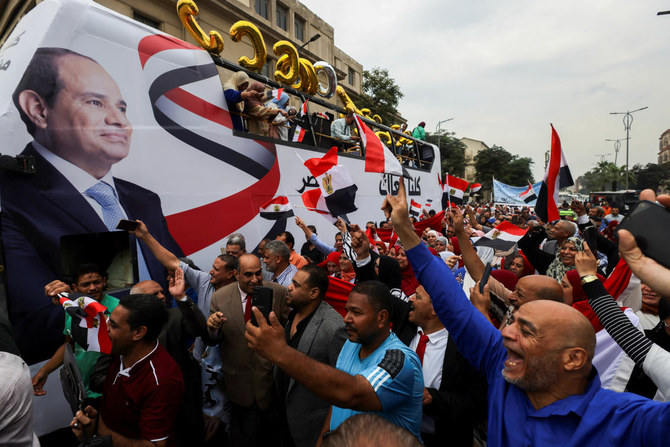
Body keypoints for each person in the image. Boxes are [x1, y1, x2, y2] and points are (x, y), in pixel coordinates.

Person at [383, 177, 670, 446]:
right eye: (514, 321)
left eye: (526, 331)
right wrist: (405, 230)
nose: (506, 332)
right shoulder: (501, 366)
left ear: (573, 359)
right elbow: (452, 305)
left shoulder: (627, 419)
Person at [3, 47, 183, 363]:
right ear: (38, 109)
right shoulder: (13, 201)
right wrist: (134, 305)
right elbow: (35, 326)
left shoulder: (144, 200)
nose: (119, 120)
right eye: (95, 102)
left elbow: (175, 269)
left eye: (122, 108)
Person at [246, 280, 424, 440]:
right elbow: (337, 402)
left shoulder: (400, 360)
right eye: (347, 311)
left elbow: (352, 394)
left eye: (356, 312)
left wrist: (280, 352)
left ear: (381, 317)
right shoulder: (351, 344)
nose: (346, 318)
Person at [71, 294, 184, 446]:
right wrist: (97, 419)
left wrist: (100, 432)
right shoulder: (120, 351)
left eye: (114, 326)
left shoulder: (160, 381)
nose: (106, 329)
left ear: (138, 333)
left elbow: (155, 446)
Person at [206, 254, 287, 447]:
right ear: (236, 275)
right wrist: (213, 326)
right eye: (248, 275)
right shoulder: (220, 298)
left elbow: (290, 332)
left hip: (271, 387)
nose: (255, 279)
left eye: (258, 273)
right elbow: (213, 338)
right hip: (238, 387)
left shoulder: (278, 293)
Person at [130, 272, 209, 447]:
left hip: (183, 408)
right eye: (154, 295)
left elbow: (199, 329)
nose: (162, 296)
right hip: (149, 410)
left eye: (161, 292)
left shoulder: (174, 316)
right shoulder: (127, 329)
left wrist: (181, 297)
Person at [277, 265, 347, 447]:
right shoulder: (293, 314)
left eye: (295, 284)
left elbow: (342, 385)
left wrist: (326, 435)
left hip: (311, 429)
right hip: (283, 419)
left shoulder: (334, 327)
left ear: (314, 292)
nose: (289, 287)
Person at [407, 286, 487, 446]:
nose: (410, 299)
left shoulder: (466, 347)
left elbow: (478, 402)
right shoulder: (403, 331)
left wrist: (434, 399)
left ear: (436, 308)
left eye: (417, 296)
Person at [33, 264, 119, 400]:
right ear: (75, 287)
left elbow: (106, 331)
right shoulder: (72, 310)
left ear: (104, 281)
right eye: (86, 284)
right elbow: (71, 345)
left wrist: (73, 299)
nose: (92, 288)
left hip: (107, 387)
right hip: (82, 386)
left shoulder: (119, 309)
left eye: (97, 282)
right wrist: (45, 370)